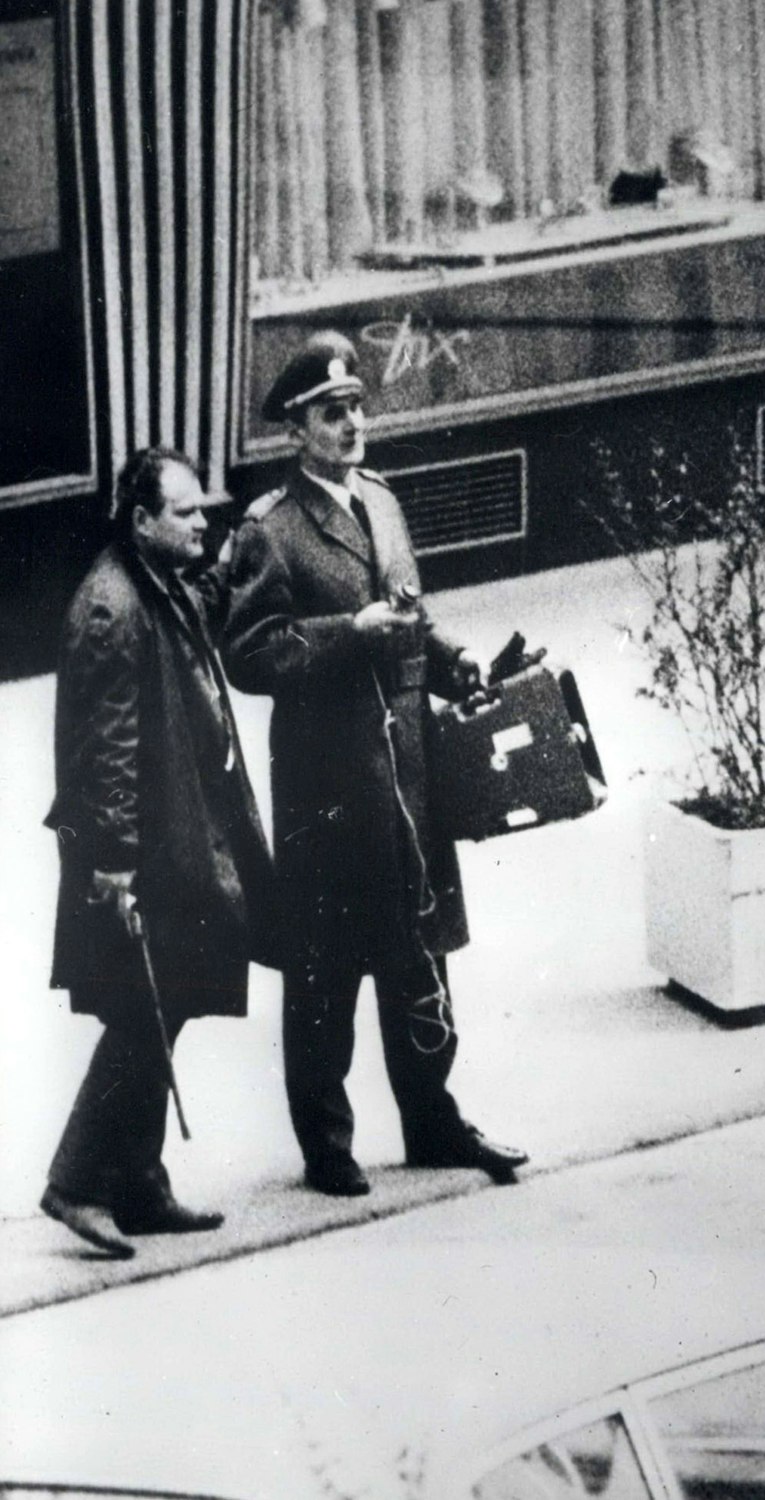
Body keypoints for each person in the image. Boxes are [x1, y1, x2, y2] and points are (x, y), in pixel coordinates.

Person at [222, 332, 527, 1197]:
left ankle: (432, 1120)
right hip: (328, 786)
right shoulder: (270, 532)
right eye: (331, 413)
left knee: (417, 949)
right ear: (295, 430)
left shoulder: (383, 502)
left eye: (356, 406)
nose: (351, 423)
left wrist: (452, 655)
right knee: (325, 968)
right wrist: (342, 637)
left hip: (407, 770)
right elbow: (248, 655)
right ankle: (327, 1145)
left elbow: (408, 612)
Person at [42, 448, 277, 1258]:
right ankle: (75, 1183)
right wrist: (113, 865)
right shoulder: (112, 606)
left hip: (168, 841)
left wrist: (241, 543)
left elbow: (200, 610)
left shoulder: (152, 579)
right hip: (138, 856)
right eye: (188, 513)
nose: (201, 521)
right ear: (142, 521)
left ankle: (137, 1184)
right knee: (145, 1010)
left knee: (163, 1005)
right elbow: (105, 749)